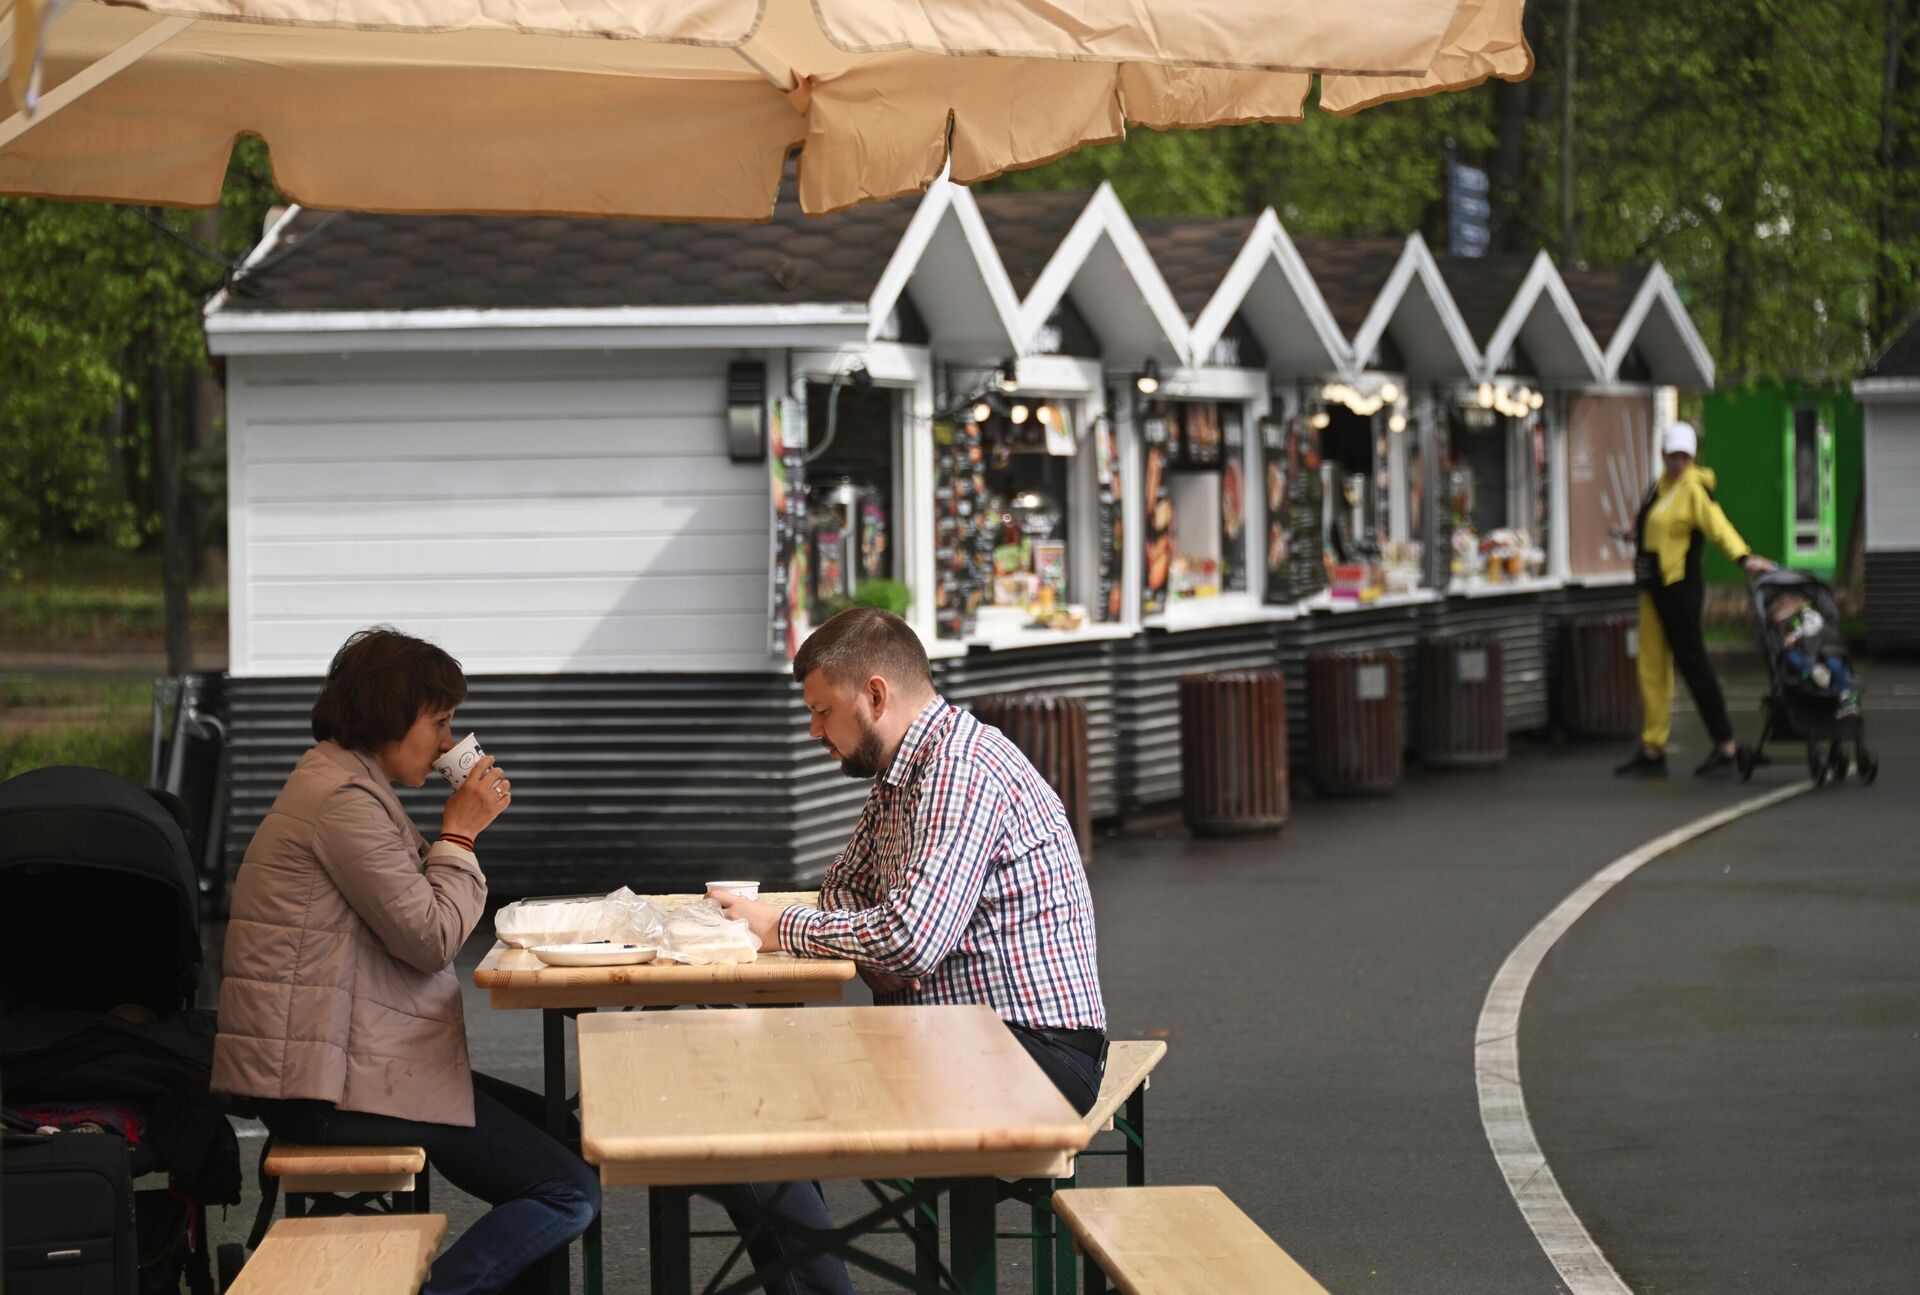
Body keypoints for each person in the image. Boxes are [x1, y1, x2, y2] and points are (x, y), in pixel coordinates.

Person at [714, 607, 1107, 1295]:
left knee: (750, 1110)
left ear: (873, 694)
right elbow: (844, 890)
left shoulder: (959, 767)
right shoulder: (904, 770)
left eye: (822, 711)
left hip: (1032, 1053)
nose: (814, 732)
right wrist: (842, 924)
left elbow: (909, 940)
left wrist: (777, 926)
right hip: (958, 1034)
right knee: (745, 1091)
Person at [212, 628, 599, 1295]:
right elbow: (430, 935)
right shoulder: (343, 801)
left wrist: (457, 839)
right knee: (567, 1189)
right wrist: (459, 832)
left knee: (561, 1142)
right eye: (440, 724)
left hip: (346, 1063)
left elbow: (420, 901)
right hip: (322, 1085)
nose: (449, 743)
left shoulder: (345, 783)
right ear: (390, 714)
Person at [1615, 422, 1776, 778]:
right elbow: (1652, 524)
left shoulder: (1694, 489)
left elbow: (1717, 525)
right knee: (1652, 668)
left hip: (1679, 590)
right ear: (1663, 455)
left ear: (1692, 457)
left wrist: (1743, 557)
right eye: (1672, 456)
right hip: (1653, 588)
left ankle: (1726, 745)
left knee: (1694, 667)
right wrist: (1635, 531)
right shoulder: (1658, 488)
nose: (1677, 463)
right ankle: (1652, 747)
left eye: (1683, 457)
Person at [1767, 589, 1860, 716]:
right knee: (1792, 657)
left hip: (1823, 650)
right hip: (1806, 657)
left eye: (1781, 614)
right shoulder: (1784, 628)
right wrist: (1786, 644)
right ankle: (1814, 672)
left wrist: (1797, 635)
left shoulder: (1808, 614)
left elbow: (1813, 626)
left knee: (1834, 663)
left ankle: (1846, 700)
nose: (1780, 620)